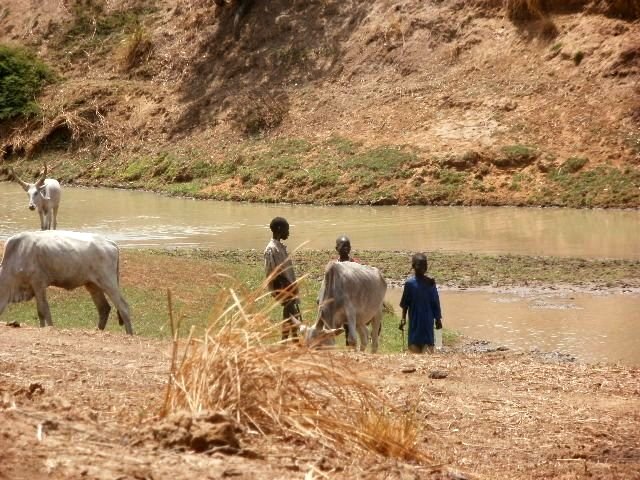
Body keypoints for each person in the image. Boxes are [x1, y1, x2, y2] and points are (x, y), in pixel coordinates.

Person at [264, 216, 302, 341]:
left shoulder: (280, 247)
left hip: (288, 286)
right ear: (280, 229)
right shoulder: (271, 249)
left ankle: (289, 340)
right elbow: (272, 272)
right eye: (287, 229)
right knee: (292, 312)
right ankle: (291, 340)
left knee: (290, 313)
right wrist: (286, 287)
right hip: (281, 287)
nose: (288, 233)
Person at [398, 253, 443, 353]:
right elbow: (405, 303)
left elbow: (435, 302)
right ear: (413, 266)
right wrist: (403, 318)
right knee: (414, 351)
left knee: (427, 351)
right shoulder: (409, 284)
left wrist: (438, 319)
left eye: (424, 266)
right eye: (419, 265)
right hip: (415, 322)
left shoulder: (430, 283)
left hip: (428, 323)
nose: (422, 268)